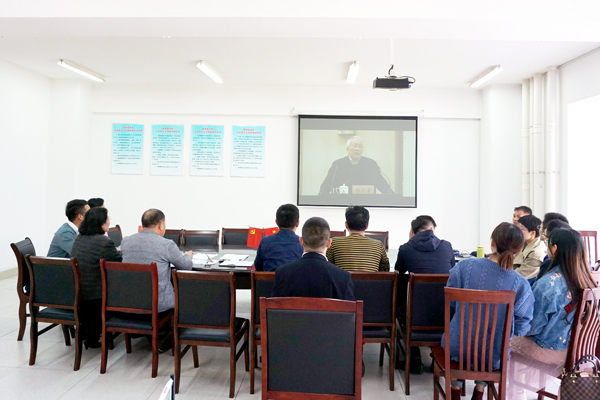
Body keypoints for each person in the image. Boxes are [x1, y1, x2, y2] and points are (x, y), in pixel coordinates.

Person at [444, 222, 534, 400]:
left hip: (456, 346)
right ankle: (479, 390)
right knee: (491, 345)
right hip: (493, 355)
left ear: (492, 243)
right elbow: (523, 326)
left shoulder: (464, 267)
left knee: (462, 337)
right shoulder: (520, 284)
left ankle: (455, 388)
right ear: (518, 251)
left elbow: (452, 302)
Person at [510, 229, 597, 393]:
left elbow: (532, 328)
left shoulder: (548, 284)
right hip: (580, 351)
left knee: (501, 339)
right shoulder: (590, 280)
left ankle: (512, 392)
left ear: (555, 248)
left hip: (551, 350)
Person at [394, 215, 455, 374]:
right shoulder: (447, 246)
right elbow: (452, 272)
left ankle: (414, 358)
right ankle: (437, 356)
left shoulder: (406, 248)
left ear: (412, 231)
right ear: (432, 229)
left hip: (414, 315)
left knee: (400, 302)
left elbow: (398, 274)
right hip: (444, 313)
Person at [120, 209, 193, 312]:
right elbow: (186, 266)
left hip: (129, 302)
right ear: (161, 225)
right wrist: (188, 256)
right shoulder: (166, 244)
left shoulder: (126, 241)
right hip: (158, 304)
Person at [70, 207, 122, 348]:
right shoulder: (103, 242)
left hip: (79, 292)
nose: (109, 222)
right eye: (107, 219)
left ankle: (90, 334)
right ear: (100, 223)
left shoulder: (79, 238)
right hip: (97, 295)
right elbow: (119, 263)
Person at [272, 217, 355, 300]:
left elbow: (274, 306)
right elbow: (349, 308)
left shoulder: (282, 274)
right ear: (329, 243)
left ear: (301, 241)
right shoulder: (343, 278)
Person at [319, 136, 393, 195]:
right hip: (343, 203)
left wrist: (392, 197)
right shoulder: (337, 164)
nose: (357, 149)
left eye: (360, 146)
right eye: (354, 146)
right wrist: (320, 199)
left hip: (366, 202)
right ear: (347, 149)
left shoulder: (371, 164)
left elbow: (381, 183)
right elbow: (327, 184)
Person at [326, 206, 389, 272]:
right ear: (367, 226)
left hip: (342, 278)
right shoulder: (378, 245)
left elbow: (328, 267)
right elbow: (385, 270)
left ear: (346, 225)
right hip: (369, 279)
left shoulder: (334, 243)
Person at [254, 204, 303, 271]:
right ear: (297, 223)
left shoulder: (265, 242)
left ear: (276, 222)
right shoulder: (302, 243)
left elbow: (258, 267)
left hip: (270, 278)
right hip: (294, 278)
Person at [514, 214, 546, 281]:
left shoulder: (536, 252)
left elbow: (521, 274)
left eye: (521, 229)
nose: (518, 232)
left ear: (532, 233)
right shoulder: (524, 243)